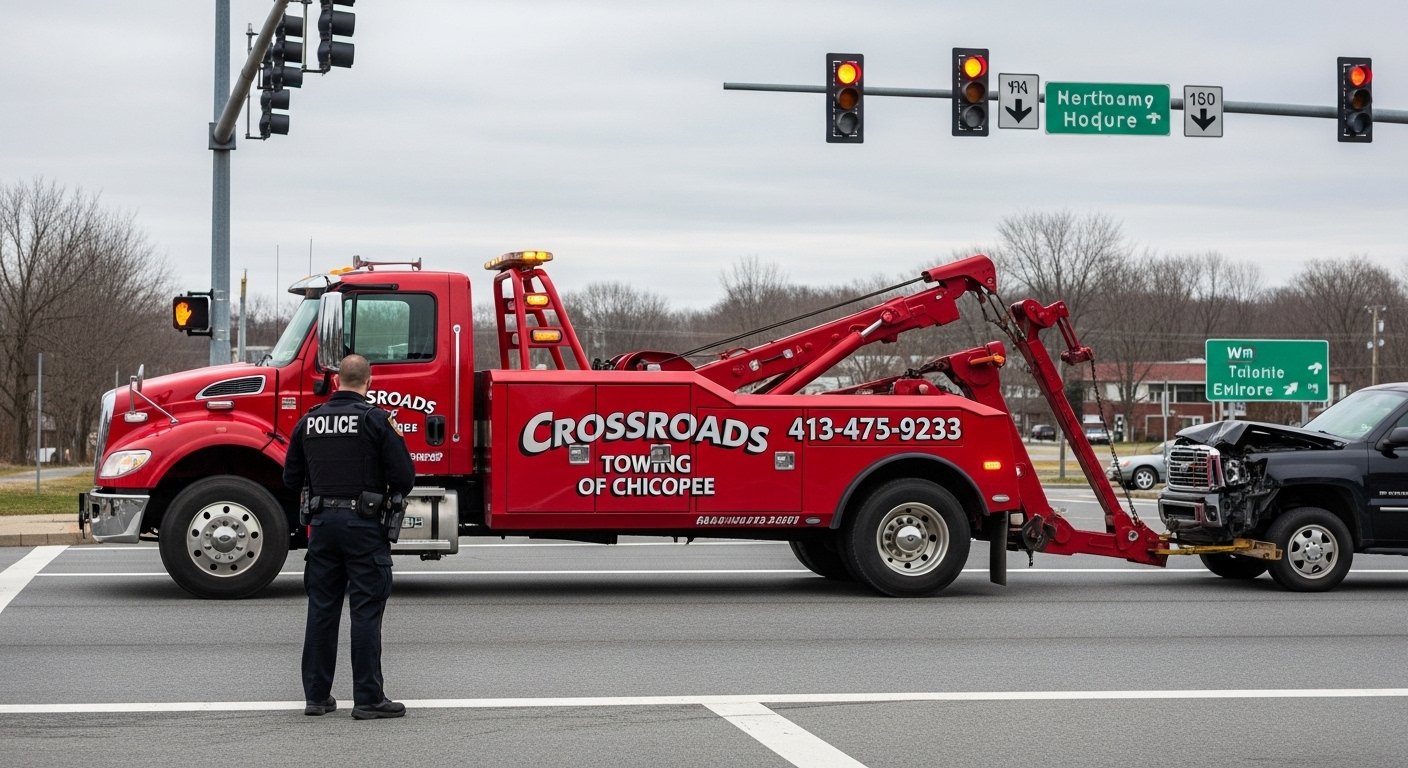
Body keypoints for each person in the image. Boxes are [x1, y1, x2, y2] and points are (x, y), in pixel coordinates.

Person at [283, 354, 415, 720]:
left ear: (336, 381)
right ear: (369, 383)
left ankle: (316, 698)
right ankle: (368, 699)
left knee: (321, 610)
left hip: (322, 527)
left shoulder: (309, 421)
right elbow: (404, 478)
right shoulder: (376, 420)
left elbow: (290, 479)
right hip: (364, 527)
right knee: (366, 611)